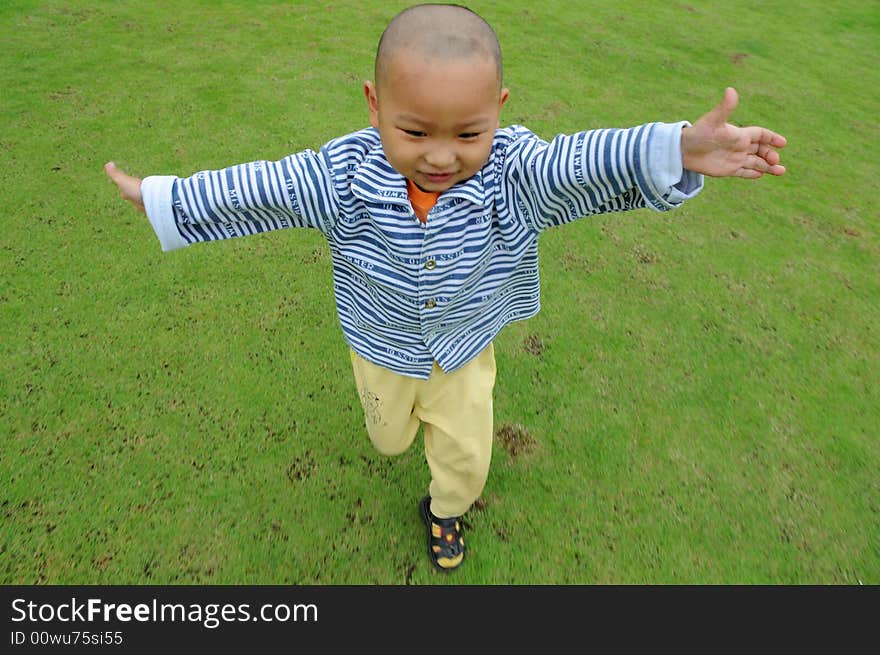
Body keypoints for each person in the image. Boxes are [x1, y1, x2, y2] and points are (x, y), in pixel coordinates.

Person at [105, 3, 786, 572]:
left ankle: (446, 509)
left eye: (468, 132)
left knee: (464, 450)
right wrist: (169, 199)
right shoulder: (343, 175)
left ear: (499, 109)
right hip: (380, 342)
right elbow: (265, 187)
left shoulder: (515, 172)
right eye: (414, 130)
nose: (440, 155)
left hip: (465, 344)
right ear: (376, 106)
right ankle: (403, 436)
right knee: (390, 439)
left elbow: (579, 162)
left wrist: (673, 149)